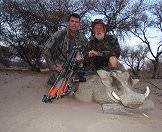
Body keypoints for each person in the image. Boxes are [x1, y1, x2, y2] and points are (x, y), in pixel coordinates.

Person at [44, 13, 87, 87]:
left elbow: (86, 51)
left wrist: (82, 56)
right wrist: (54, 66)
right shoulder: (59, 34)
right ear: (68, 23)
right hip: (60, 67)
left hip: (75, 67)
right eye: (72, 21)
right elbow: (46, 49)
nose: (74, 24)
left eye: (76, 22)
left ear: (79, 24)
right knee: (61, 86)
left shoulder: (82, 37)